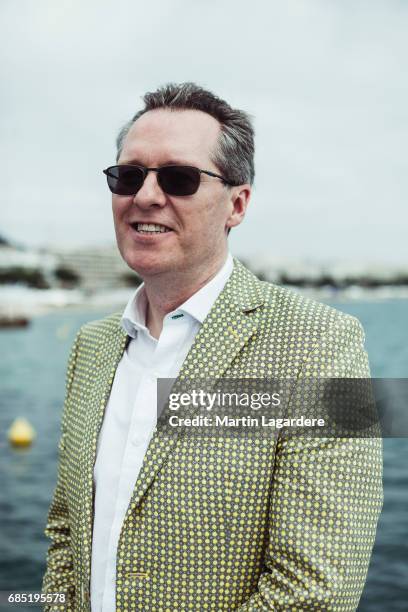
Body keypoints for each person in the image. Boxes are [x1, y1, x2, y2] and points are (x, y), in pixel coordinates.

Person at [42, 82, 383, 611]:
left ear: (238, 203)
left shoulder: (322, 343)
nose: (146, 196)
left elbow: (318, 588)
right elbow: (66, 531)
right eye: (128, 176)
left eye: (178, 178)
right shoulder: (92, 347)